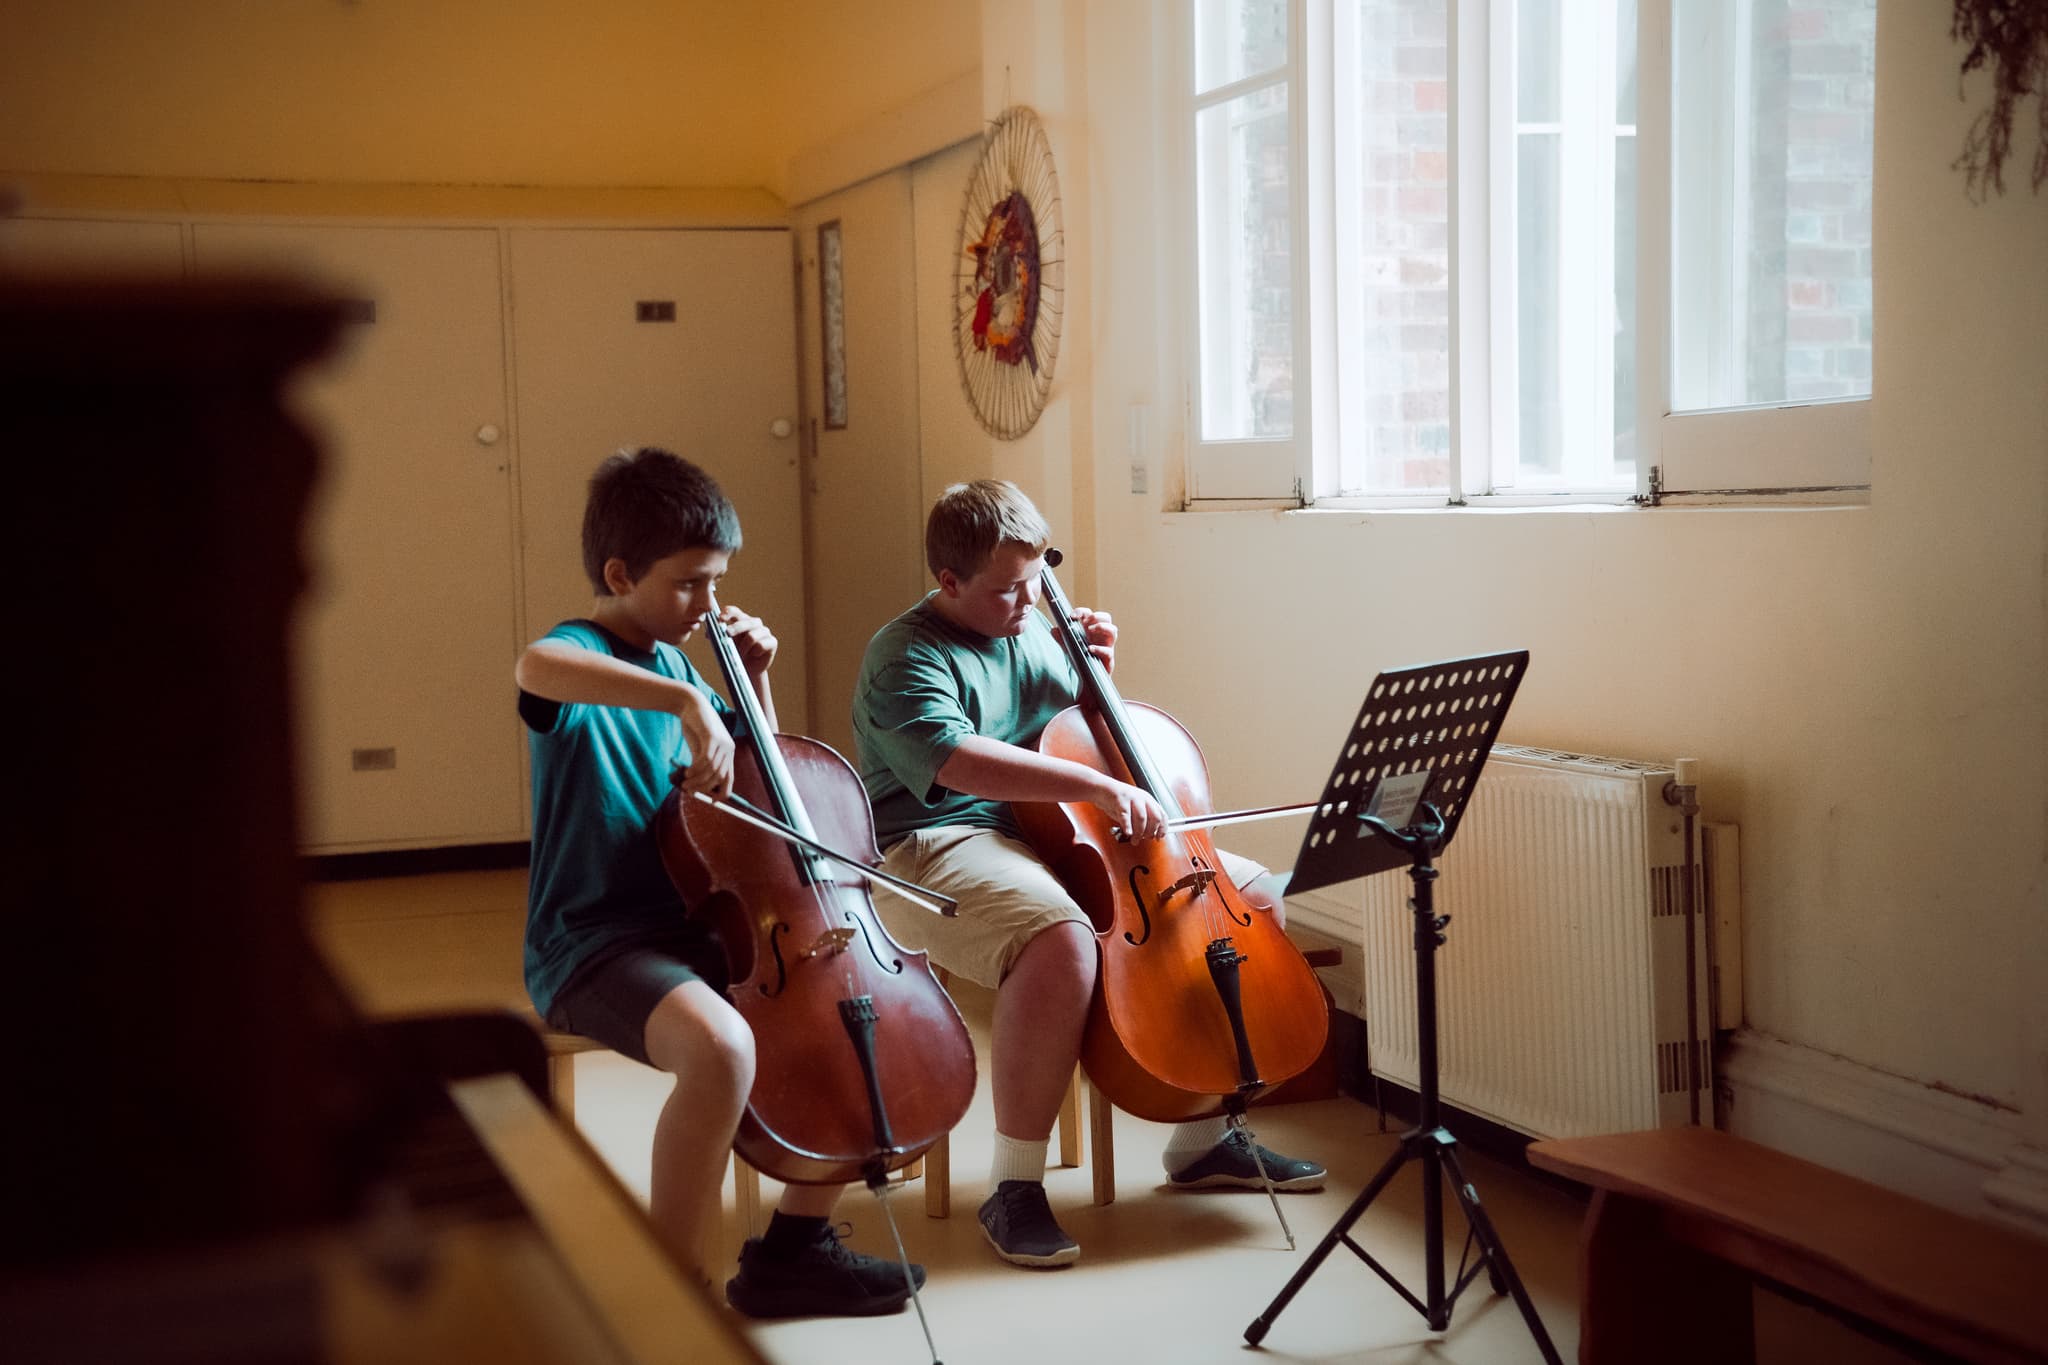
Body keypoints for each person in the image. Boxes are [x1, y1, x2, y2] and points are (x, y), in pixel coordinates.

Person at [850, 478, 1325, 1270]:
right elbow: (960, 760)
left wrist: (1097, 677)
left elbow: (1074, 739)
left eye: (1037, 578)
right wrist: (1097, 788)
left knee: (1253, 897)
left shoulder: (1035, 625)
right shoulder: (901, 655)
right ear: (948, 582)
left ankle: (1205, 1134)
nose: (1030, 601)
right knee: (1059, 937)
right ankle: (1014, 1187)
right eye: (1007, 588)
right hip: (936, 843)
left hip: (1059, 833)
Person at [515, 447, 922, 1318]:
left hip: (704, 927)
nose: (707, 605)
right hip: (596, 942)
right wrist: (687, 702)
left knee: (853, 1021)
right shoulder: (586, 654)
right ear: (620, 573)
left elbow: (761, 782)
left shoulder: (681, 662)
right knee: (725, 1047)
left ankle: (793, 1253)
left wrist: (754, 682)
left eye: (717, 583)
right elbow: (534, 670)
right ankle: (668, 1291)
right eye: (690, 584)